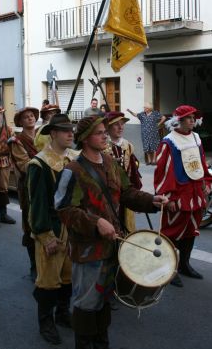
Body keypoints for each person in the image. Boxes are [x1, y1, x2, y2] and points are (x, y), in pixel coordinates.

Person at [54, 116, 168, 349]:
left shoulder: (110, 163)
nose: (106, 135)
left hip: (113, 246)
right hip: (87, 251)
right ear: (85, 139)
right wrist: (95, 222)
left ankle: (101, 343)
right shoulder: (72, 170)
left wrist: (151, 201)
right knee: (86, 303)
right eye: (99, 133)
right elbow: (64, 210)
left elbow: (127, 192)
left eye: (106, 131)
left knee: (104, 299)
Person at [28, 114, 76, 345]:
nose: (70, 134)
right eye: (65, 131)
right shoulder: (39, 164)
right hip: (50, 229)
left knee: (67, 276)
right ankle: (45, 322)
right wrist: (45, 235)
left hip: (72, 228)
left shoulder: (74, 160)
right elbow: (37, 204)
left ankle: (63, 313)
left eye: (72, 130)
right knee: (48, 280)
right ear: (53, 133)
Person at [154, 105, 212, 287]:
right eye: (188, 117)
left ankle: (184, 264)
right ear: (178, 121)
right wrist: (167, 197)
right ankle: (169, 268)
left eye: (194, 117)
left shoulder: (196, 138)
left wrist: (207, 183)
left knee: (191, 230)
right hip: (177, 195)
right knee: (172, 233)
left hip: (196, 192)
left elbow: (201, 162)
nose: (192, 120)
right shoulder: (168, 142)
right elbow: (162, 172)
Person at [10, 107, 39, 280]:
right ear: (20, 122)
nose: (30, 119)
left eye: (32, 116)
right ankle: (34, 265)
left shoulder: (45, 136)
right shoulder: (17, 141)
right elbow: (26, 166)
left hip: (48, 186)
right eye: (26, 117)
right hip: (29, 188)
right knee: (31, 225)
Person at [105, 111, 142, 232]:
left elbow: (133, 172)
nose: (120, 127)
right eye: (116, 124)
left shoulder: (128, 146)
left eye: (122, 124)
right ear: (108, 127)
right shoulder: (102, 146)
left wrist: (136, 196)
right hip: (107, 194)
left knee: (125, 226)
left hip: (125, 192)